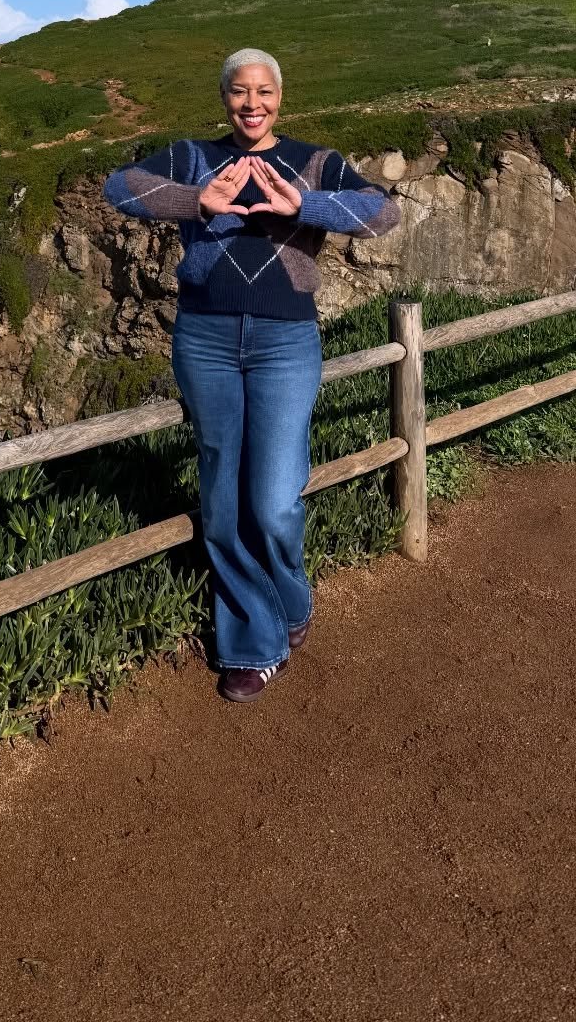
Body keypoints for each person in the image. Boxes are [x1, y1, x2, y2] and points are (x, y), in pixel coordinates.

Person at [102, 47, 400, 702]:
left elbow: (383, 212)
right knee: (220, 498)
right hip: (204, 340)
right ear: (224, 98)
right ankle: (254, 643)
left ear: (280, 97)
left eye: (263, 91)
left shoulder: (314, 161)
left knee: (272, 501)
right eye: (240, 92)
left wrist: (307, 205)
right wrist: (197, 200)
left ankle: (291, 604)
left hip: (284, 342)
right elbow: (118, 188)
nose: (252, 104)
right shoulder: (191, 156)